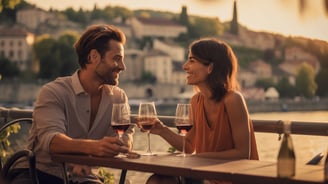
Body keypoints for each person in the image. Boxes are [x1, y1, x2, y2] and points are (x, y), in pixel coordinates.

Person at [9, 24, 135, 184]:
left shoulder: (118, 98)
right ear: (93, 57)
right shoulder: (53, 92)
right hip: (38, 172)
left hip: (84, 178)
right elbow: (52, 140)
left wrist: (91, 157)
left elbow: (125, 137)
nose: (122, 67)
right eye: (116, 59)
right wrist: (92, 148)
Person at [145, 38, 259, 184]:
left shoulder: (233, 99)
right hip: (207, 177)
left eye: (192, 61)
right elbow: (190, 146)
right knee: (158, 180)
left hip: (235, 179)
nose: (185, 66)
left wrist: (197, 158)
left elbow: (243, 153)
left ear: (210, 67)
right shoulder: (196, 101)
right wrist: (162, 130)